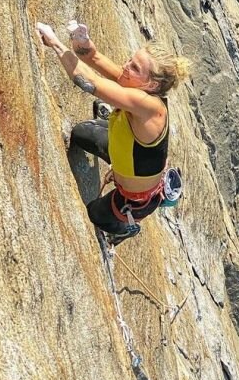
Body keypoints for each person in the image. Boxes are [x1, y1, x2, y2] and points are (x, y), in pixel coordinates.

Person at [36, 21, 189, 243]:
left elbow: (89, 82)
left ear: (153, 86)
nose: (126, 67)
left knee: (95, 214)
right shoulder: (135, 83)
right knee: (80, 133)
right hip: (126, 152)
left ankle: (126, 228)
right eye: (131, 60)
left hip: (134, 200)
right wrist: (82, 42)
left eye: (135, 68)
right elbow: (95, 58)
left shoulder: (150, 107)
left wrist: (55, 43)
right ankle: (112, 127)